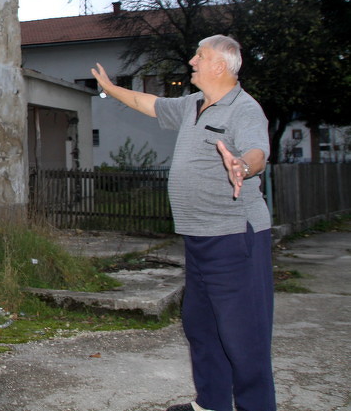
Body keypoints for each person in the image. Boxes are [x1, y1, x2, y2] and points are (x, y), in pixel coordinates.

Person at [91, 35, 276, 411]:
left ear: (220, 66)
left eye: (200, 55)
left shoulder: (244, 109)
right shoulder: (193, 104)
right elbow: (151, 104)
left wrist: (242, 165)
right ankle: (211, 404)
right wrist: (111, 88)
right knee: (202, 327)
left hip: (234, 237)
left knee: (244, 337)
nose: (192, 60)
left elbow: (259, 151)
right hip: (199, 238)